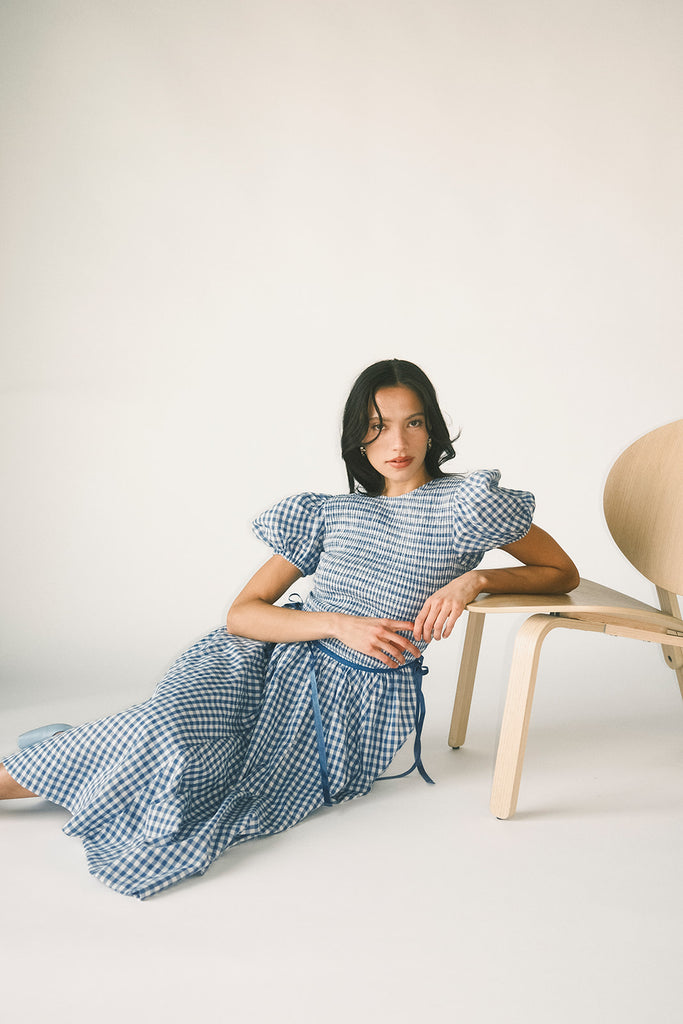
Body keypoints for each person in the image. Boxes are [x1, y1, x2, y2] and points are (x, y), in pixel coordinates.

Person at [0, 359, 579, 898]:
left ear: (433, 429)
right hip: (259, 658)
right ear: (358, 437)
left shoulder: (466, 505)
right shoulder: (331, 512)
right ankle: (37, 768)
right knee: (165, 728)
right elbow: (242, 613)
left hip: (346, 702)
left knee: (206, 771)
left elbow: (562, 572)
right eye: (377, 427)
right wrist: (339, 625)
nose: (397, 444)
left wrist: (476, 579)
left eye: (413, 423)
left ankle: (63, 752)